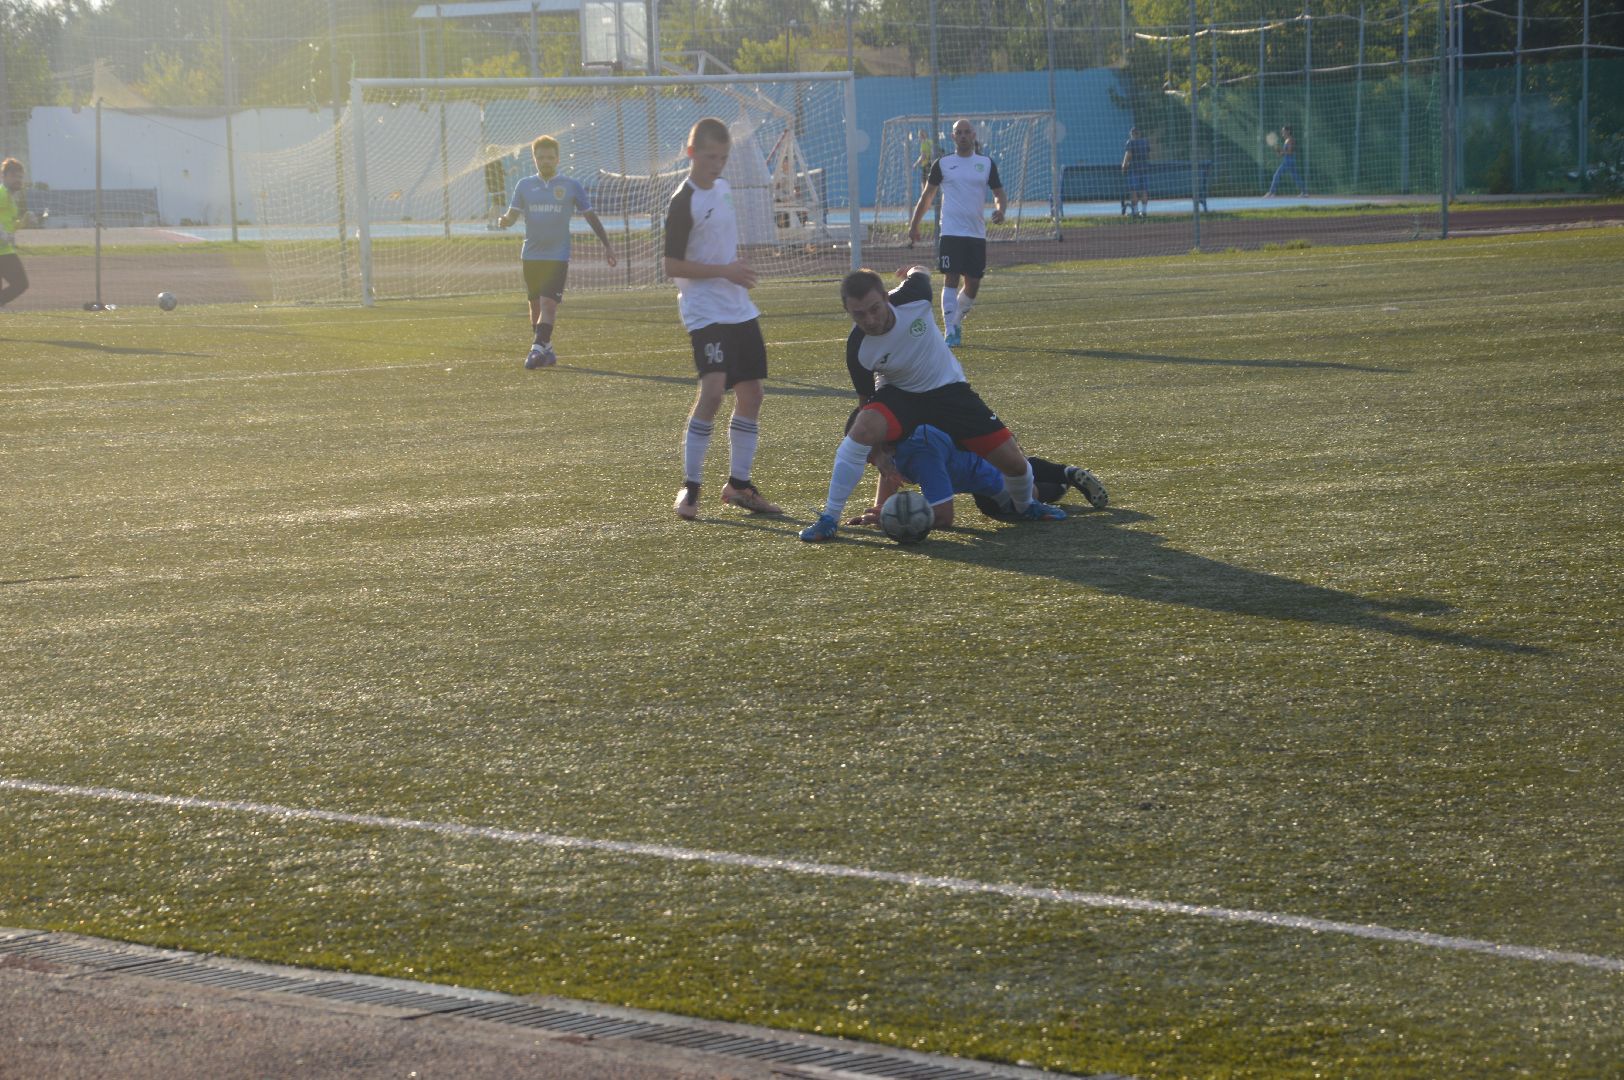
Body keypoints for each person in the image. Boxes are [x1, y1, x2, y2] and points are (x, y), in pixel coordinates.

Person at [798, 266, 1067, 543]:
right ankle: (829, 518)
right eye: (859, 314)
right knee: (861, 428)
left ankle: (1027, 507)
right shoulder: (858, 347)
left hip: (950, 392)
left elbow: (920, 271)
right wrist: (878, 451)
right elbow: (866, 401)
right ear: (848, 311)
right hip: (903, 397)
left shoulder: (915, 295)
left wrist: (911, 271)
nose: (870, 319)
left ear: (886, 297)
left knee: (1015, 464)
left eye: (874, 308)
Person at [663, 117, 782, 521]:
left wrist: (734, 267)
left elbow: (719, 244)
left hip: (738, 307)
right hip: (703, 309)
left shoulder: (726, 189)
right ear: (691, 153)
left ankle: (739, 485)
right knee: (713, 392)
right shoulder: (683, 201)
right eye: (710, 156)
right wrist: (724, 271)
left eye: (723, 157)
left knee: (752, 395)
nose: (717, 164)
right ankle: (690, 488)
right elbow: (672, 265)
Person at [496, 135, 618, 369]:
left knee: (548, 305)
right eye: (541, 157)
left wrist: (607, 245)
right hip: (530, 255)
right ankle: (547, 350)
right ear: (534, 159)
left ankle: (536, 350)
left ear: (558, 159)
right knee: (534, 306)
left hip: (557, 256)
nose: (546, 161)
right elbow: (512, 216)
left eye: (550, 157)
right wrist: (504, 220)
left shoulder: (571, 186)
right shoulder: (524, 185)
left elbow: (590, 216)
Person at [846, 422, 1108, 530]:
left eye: (866, 453)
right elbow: (888, 471)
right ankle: (1066, 473)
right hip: (980, 435)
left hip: (984, 469)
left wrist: (897, 519)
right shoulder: (898, 435)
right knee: (1015, 464)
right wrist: (880, 508)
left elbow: (945, 516)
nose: (866, 460)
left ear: (883, 444)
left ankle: (1061, 485)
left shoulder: (918, 454)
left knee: (1016, 501)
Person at [906, 119, 1006, 347]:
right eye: (958, 132)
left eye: (966, 132)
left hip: (976, 233)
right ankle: (950, 330)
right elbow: (927, 197)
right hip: (950, 232)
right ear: (952, 137)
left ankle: (956, 320)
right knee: (950, 279)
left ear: (973, 136)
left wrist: (1000, 211)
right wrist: (914, 225)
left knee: (973, 283)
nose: (962, 136)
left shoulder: (986, 164)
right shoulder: (942, 164)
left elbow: (999, 193)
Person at [0, 158, 29, 308]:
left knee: (20, 284)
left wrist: (23, 222)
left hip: (5, 250)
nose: (18, 180)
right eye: (14, 176)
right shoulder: (1, 193)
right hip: (3, 251)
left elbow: (9, 226)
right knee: (21, 284)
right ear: (3, 176)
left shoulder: (11, 198)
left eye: (20, 177)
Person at [1265, 125, 1305, 197]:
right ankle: (1304, 192)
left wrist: (1282, 152)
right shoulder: (1287, 140)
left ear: (1288, 131)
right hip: (1290, 161)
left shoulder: (1290, 140)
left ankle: (1271, 192)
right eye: (1282, 131)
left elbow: (1290, 152)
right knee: (1296, 177)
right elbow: (1286, 152)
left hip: (1288, 162)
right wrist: (1280, 152)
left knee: (1277, 175)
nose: (1282, 133)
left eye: (1284, 131)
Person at [1122, 126, 1151, 220]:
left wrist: (1124, 165)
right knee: (1144, 190)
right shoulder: (1145, 142)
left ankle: (1135, 212)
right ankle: (1144, 211)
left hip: (1133, 169)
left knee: (1133, 190)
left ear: (1132, 134)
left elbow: (1129, 155)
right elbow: (1148, 154)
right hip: (1145, 169)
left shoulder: (1130, 142)